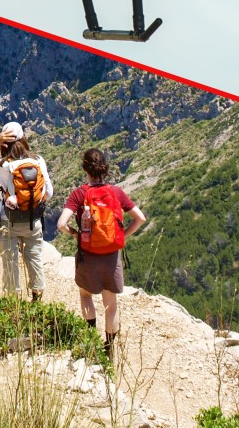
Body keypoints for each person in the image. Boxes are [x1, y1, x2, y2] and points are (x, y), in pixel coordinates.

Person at [55, 147, 148, 357]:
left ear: (84, 169)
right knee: (111, 305)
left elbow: (61, 224)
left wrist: (75, 235)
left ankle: (90, 339)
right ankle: (109, 350)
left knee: (86, 295)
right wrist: (123, 236)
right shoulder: (116, 192)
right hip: (111, 255)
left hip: (88, 255)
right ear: (104, 168)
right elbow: (140, 218)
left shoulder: (80, 193)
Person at [0, 122, 52, 302]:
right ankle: (37, 299)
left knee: (10, 261)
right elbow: (49, 192)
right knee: (34, 258)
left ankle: (12, 302)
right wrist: (31, 203)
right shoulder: (38, 161)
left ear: (4, 142)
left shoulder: (3, 165)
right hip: (34, 220)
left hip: (9, 221)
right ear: (23, 139)